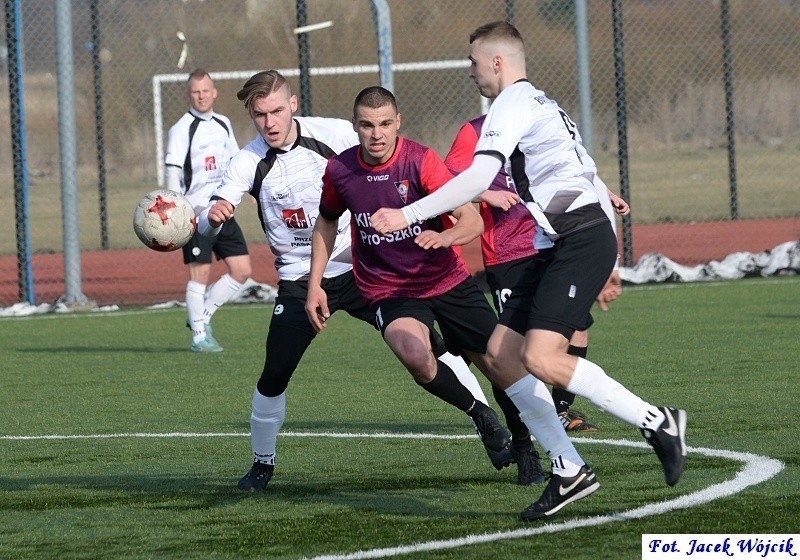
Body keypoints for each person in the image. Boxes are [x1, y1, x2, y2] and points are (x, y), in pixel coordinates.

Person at [370, 21, 687, 521]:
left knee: (540, 356)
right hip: (560, 238)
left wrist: (406, 214)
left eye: (474, 61)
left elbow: (476, 176)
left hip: (579, 237)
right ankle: (569, 469)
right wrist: (604, 194)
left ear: (497, 62)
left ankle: (656, 420)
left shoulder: (512, 104)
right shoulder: (543, 104)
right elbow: (575, 166)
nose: (471, 71)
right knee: (500, 353)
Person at [197, 70, 512, 492]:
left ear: (292, 105)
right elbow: (215, 210)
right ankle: (262, 463)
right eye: (259, 115)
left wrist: (469, 197)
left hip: (365, 267)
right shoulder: (248, 161)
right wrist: (211, 215)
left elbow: (398, 162)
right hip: (299, 279)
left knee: (431, 347)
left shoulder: (334, 133)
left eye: (276, 110)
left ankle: (483, 417)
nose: (269, 123)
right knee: (274, 373)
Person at [306, 85, 540, 489]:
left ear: (398, 123)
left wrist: (446, 238)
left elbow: (471, 220)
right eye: (367, 125)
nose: (376, 134)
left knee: (502, 367)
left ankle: (525, 449)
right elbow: (326, 221)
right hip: (388, 289)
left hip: (445, 280)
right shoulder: (341, 170)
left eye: (384, 124)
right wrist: (315, 285)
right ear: (355, 127)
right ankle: (480, 415)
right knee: (413, 353)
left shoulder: (421, 161)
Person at [445, 114, 610, 436]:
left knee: (575, 328)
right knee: (512, 347)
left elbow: (575, 172)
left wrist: (605, 195)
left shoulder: (541, 123)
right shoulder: (475, 131)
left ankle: (560, 411)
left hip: (551, 243)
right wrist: (486, 195)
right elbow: (445, 181)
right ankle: (524, 417)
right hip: (507, 253)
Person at [165, 68, 252, 353]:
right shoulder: (181, 129)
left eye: (206, 91)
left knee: (241, 271)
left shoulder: (223, 123)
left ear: (214, 92)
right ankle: (199, 337)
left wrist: (250, 189)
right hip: (195, 214)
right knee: (199, 276)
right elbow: (173, 171)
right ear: (188, 95)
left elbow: (238, 161)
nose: (201, 96)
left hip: (224, 210)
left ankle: (202, 317)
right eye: (196, 91)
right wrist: (177, 211)